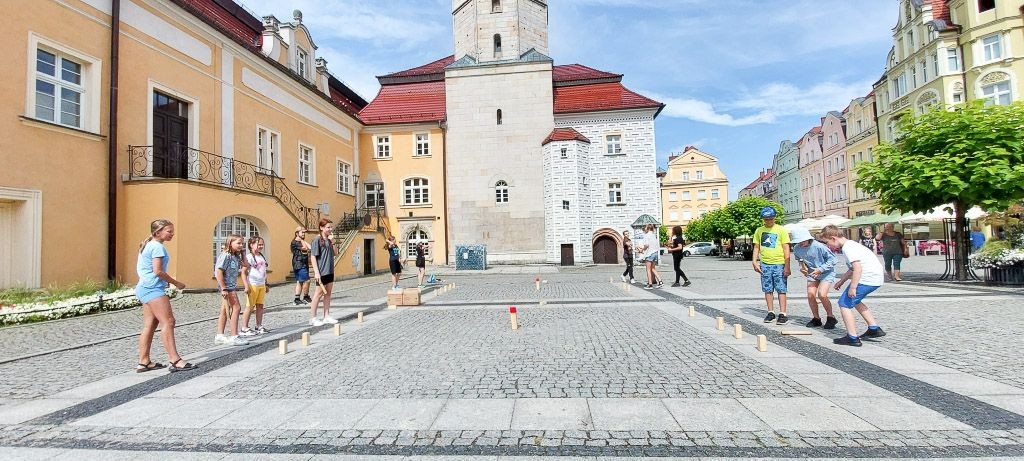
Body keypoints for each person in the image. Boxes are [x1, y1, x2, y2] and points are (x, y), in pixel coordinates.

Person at [135, 219, 196, 373]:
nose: (172, 234)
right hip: (153, 288)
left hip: (144, 287)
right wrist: (177, 283)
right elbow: (158, 271)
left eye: (172, 231)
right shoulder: (157, 247)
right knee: (168, 322)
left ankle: (144, 362)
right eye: (169, 231)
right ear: (158, 232)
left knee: (150, 324)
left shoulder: (148, 245)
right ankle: (175, 360)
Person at [820, 225, 886, 347]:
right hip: (875, 278)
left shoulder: (848, 248)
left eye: (827, 242)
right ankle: (874, 328)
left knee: (844, 303)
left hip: (867, 279)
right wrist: (842, 281)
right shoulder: (851, 245)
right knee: (856, 301)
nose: (828, 246)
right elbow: (852, 269)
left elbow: (857, 268)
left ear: (834, 238)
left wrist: (853, 287)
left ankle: (852, 337)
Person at [789, 227, 838, 329]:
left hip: (826, 272)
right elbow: (800, 259)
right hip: (812, 273)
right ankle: (816, 319)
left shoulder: (819, 246)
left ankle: (830, 317)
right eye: (798, 241)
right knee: (811, 295)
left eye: (802, 241)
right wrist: (802, 267)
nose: (800, 243)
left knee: (822, 295)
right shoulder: (797, 248)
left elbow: (833, 259)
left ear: (808, 238)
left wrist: (821, 269)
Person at [752, 206, 791, 324]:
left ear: (774, 218)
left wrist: (787, 266)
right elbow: (756, 247)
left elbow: (786, 248)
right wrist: (754, 261)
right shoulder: (759, 230)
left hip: (779, 263)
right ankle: (771, 312)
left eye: (770, 219)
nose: (768, 221)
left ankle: (783, 313)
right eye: (766, 219)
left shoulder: (781, 230)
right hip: (765, 263)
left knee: (781, 288)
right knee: (768, 289)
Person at [214, 234, 249, 346]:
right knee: (236, 308)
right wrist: (223, 288)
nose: (241, 245)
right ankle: (234, 335)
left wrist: (243, 254)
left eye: (242, 243)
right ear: (230, 243)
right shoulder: (226, 255)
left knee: (224, 310)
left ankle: (219, 335)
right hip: (227, 287)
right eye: (238, 243)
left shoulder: (235, 256)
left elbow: (245, 265)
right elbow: (218, 272)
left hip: (231, 286)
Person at [309, 218, 338, 326]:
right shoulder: (317, 239)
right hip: (322, 271)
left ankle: (326, 316)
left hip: (330, 270)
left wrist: (333, 241)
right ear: (321, 228)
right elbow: (313, 257)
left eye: (331, 227)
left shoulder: (330, 240)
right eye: (328, 227)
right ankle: (312, 318)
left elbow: (336, 253)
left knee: (328, 294)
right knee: (318, 294)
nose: (331, 229)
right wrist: (316, 272)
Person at [241, 236, 270, 336]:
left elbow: (263, 271)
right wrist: (246, 286)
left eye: (262, 244)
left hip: (261, 284)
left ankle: (258, 325)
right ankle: (244, 327)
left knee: (260, 306)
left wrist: (266, 283)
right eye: (259, 244)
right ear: (251, 245)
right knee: (250, 306)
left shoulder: (261, 256)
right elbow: (243, 272)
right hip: (253, 284)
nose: (261, 246)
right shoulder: (249, 257)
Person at [290, 226, 312, 305]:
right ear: (296, 233)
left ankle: (297, 298)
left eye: (304, 232)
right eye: (302, 232)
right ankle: (305, 297)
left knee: (300, 281)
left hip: (303, 263)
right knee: (307, 280)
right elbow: (305, 248)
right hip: (299, 263)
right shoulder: (294, 242)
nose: (303, 234)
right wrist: (302, 240)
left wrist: (302, 240)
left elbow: (310, 247)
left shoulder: (301, 241)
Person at [639, 224, 663, 289]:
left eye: (646, 228)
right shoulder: (653, 235)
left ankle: (650, 284)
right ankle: (660, 281)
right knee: (653, 269)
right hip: (655, 253)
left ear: (648, 228)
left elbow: (646, 245)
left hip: (649, 254)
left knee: (648, 269)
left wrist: (642, 249)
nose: (645, 229)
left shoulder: (647, 235)